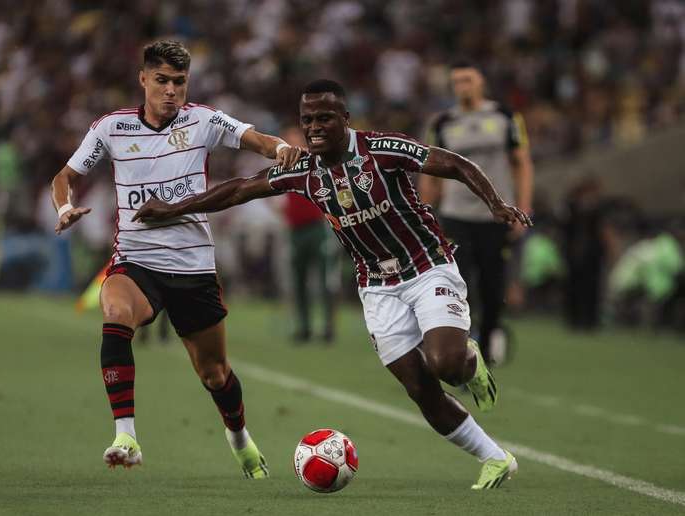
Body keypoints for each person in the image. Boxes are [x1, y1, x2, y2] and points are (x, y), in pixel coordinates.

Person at [133, 80, 532, 489]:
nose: (315, 127)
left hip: (427, 267)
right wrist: (173, 209)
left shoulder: (381, 148)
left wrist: (496, 202)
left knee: (446, 364)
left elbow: (456, 164)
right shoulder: (303, 169)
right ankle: (496, 458)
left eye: (324, 118)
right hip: (376, 287)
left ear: (345, 119)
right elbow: (239, 190)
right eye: (307, 120)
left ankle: (470, 359)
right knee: (419, 387)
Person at [51, 40, 302, 476]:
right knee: (115, 312)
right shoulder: (112, 128)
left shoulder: (203, 121)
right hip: (136, 259)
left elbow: (257, 139)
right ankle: (125, 435)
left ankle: (238, 435)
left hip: (193, 267)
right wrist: (64, 207)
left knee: (214, 374)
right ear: (143, 79)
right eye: (162, 80)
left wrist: (280, 149)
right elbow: (65, 176)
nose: (171, 90)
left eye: (179, 82)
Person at [419, 61, 534, 363]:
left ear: (481, 82)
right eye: (456, 82)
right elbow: (428, 171)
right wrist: (424, 211)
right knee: (457, 283)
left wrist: (523, 206)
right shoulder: (442, 123)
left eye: (468, 80)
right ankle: (462, 346)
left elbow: (521, 162)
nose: (462, 87)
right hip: (455, 214)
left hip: (494, 215)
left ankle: (491, 335)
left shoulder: (505, 117)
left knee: (493, 284)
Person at [281, 126, 338, 343]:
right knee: (299, 280)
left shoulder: (315, 160)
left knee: (325, 280)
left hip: (317, 227)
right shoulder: (283, 164)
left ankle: (328, 327)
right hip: (295, 230)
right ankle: (304, 327)